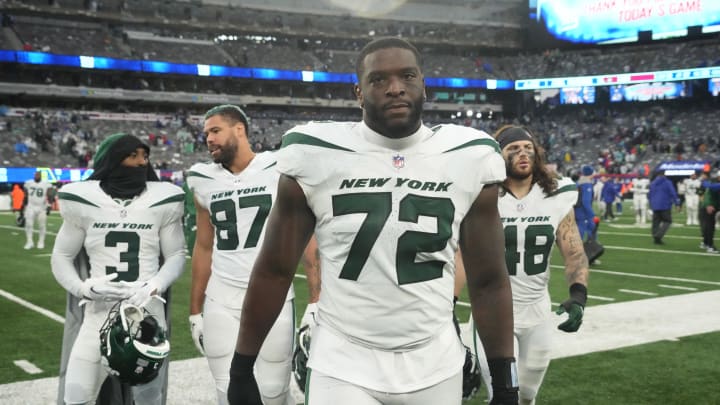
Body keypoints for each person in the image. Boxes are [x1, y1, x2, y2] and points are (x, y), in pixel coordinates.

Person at [227, 37, 518, 405]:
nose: (395, 88)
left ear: (423, 85)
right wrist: (241, 367)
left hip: (434, 360)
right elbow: (274, 269)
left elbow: (489, 280)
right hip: (343, 360)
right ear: (359, 93)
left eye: (407, 76)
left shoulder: (469, 156)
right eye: (378, 80)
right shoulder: (315, 151)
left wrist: (506, 383)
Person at [51, 133, 187, 405]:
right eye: (132, 156)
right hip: (98, 315)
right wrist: (84, 288)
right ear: (113, 160)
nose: (141, 163)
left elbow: (176, 255)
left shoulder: (163, 200)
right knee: (76, 396)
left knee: (148, 399)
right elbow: (61, 256)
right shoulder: (84, 200)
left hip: (147, 316)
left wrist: (154, 284)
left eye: (144, 157)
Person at [187, 105, 306, 405]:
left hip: (273, 295)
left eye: (215, 131)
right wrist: (194, 309)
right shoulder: (202, 179)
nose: (208, 139)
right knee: (227, 392)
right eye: (205, 134)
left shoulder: (280, 165)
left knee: (273, 392)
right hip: (221, 296)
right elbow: (203, 247)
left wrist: (316, 299)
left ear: (239, 129)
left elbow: (308, 235)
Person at [468, 125, 590, 405]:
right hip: (493, 311)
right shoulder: (483, 195)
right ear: (498, 156)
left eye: (528, 148)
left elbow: (574, 252)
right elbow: (464, 254)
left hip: (537, 309)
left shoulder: (557, 195)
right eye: (513, 149)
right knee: (503, 395)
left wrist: (578, 295)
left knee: (527, 395)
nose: (523, 153)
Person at [648, 170, 680, 245]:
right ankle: (658, 235)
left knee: (656, 222)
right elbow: (673, 193)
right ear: (664, 175)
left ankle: (656, 239)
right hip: (665, 205)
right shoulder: (667, 182)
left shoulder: (652, 183)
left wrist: (651, 205)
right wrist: (677, 204)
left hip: (655, 205)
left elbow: (649, 195)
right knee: (667, 221)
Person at [22, 171, 52, 249]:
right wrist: (24, 204)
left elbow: (49, 194)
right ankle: (29, 242)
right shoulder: (28, 183)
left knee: (42, 225)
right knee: (29, 224)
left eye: (38, 175)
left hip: (42, 207)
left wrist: (49, 205)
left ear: (41, 176)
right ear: (34, 175)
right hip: (30, 206)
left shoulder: (46, 183)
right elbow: (25, 193)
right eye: (36, 175)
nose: (37, 176)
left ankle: (41, 242)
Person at [698, 171, 719, 253]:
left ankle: (706, 243)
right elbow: (708, 193)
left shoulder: (712, 183)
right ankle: (709, 245)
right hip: (709, 207)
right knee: (709, 227)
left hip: (710, 207)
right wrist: (708, 205)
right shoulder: (714, 184)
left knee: (707, 227)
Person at [574, 165, 596, 240]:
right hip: (583, 211)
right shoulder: (586, 184)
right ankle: (590, 247)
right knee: (586, 229)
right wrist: (592, 213)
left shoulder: (579, 182)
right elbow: (586, 201)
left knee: (586, 228)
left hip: (577, 209)